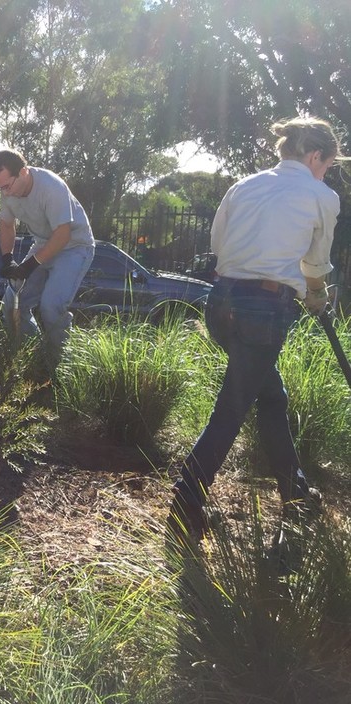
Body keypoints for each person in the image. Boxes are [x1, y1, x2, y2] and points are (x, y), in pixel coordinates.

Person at [168, 116, 347, 548]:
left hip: (221, 303)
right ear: (314, 156)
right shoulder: (321, 195)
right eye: (327, 165)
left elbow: (219, 245)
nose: (327, 173)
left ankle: (296, 494)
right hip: (264, 311)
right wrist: (316, 295)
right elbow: (315, 265)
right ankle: (185, 501)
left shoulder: (243, 186)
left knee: (271, 397)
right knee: (232, 407)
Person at [0, 149, 95, 368]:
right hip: (43, 245)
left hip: (74, 247)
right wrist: (7, 258)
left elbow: (63, 235)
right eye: (0, 188)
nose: (5, 193)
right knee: (12, 303)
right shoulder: (8, 192)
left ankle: (58, 364)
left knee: (51, 305)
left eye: (7, 186)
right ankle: (33, 356)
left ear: (24, 172)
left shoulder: (51, 187)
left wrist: (31, 264)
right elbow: (7, 225)